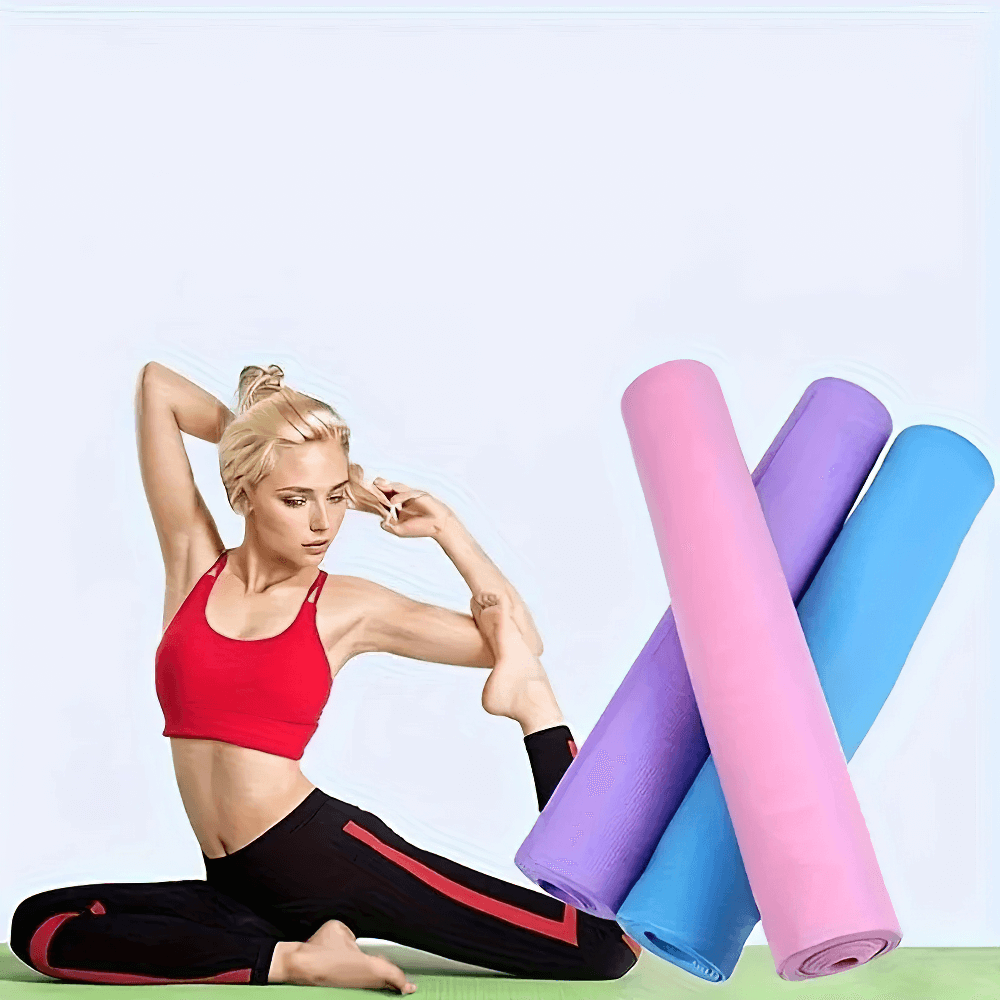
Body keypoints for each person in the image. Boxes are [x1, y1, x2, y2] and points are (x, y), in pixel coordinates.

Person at [9, 363, 641, 992]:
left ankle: (536, 711)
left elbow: (517, 643)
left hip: (330, 859)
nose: (323, 523)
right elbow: (157, 388)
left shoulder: (345, 606)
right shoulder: (193, 564)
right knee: (40, 925)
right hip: (238, 886)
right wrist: (261, 442)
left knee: (600, 946)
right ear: (243, 494)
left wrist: (447, 528)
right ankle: (296, 957)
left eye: (337, 496)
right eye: (295, 498)